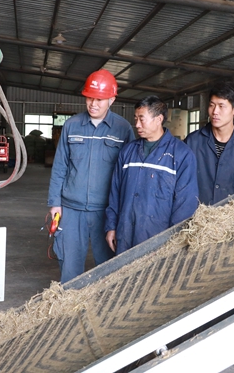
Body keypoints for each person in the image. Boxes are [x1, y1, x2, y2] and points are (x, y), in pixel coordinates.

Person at [47, 69, 134, 283]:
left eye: (99, 99)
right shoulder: (72, 125)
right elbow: (60, 166)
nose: (93, 104)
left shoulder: (123, 129)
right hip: (71, 209)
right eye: (89, 98)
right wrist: (55, 203)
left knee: (109, 267)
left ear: (112, 100)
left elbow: (130, 173)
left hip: (106, 211)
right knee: (69, 266)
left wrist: (124, 210)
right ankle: (69, 301)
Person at [105, 96, 199, 255]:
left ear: (159, 119)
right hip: (125, 234)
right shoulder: (128, 152)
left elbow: (186, 203)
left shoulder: (181, 154)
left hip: (159, 240)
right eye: (135, 119)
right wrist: (111, 226)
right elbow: (115, 193)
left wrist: (174, 240)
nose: (137, 124)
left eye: (142, 119)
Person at [185, 83, 234, 205]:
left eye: (221, 106)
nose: (215, 111)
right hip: (197, 215)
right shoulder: (192, 142)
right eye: (212, 105)